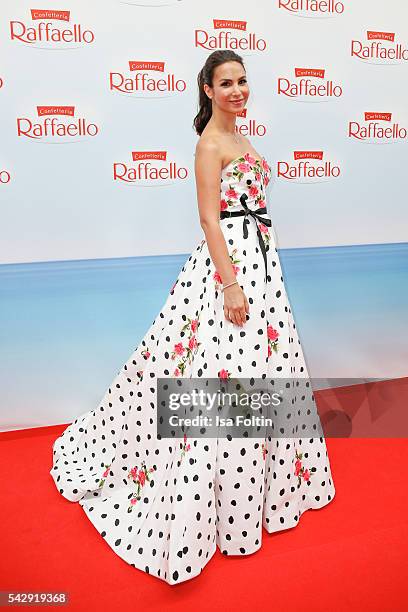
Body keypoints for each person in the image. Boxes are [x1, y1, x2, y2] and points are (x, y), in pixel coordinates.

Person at [50, 49, 336, 586]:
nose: (237, 91)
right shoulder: (209, 144)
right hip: (231, 270)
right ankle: (222, 508)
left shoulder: (243, 137)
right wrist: (230, 283)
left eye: (242, 81)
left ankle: (262, 493)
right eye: (225, 83)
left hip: (262, 266)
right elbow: (209, 217)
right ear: (207, 90)